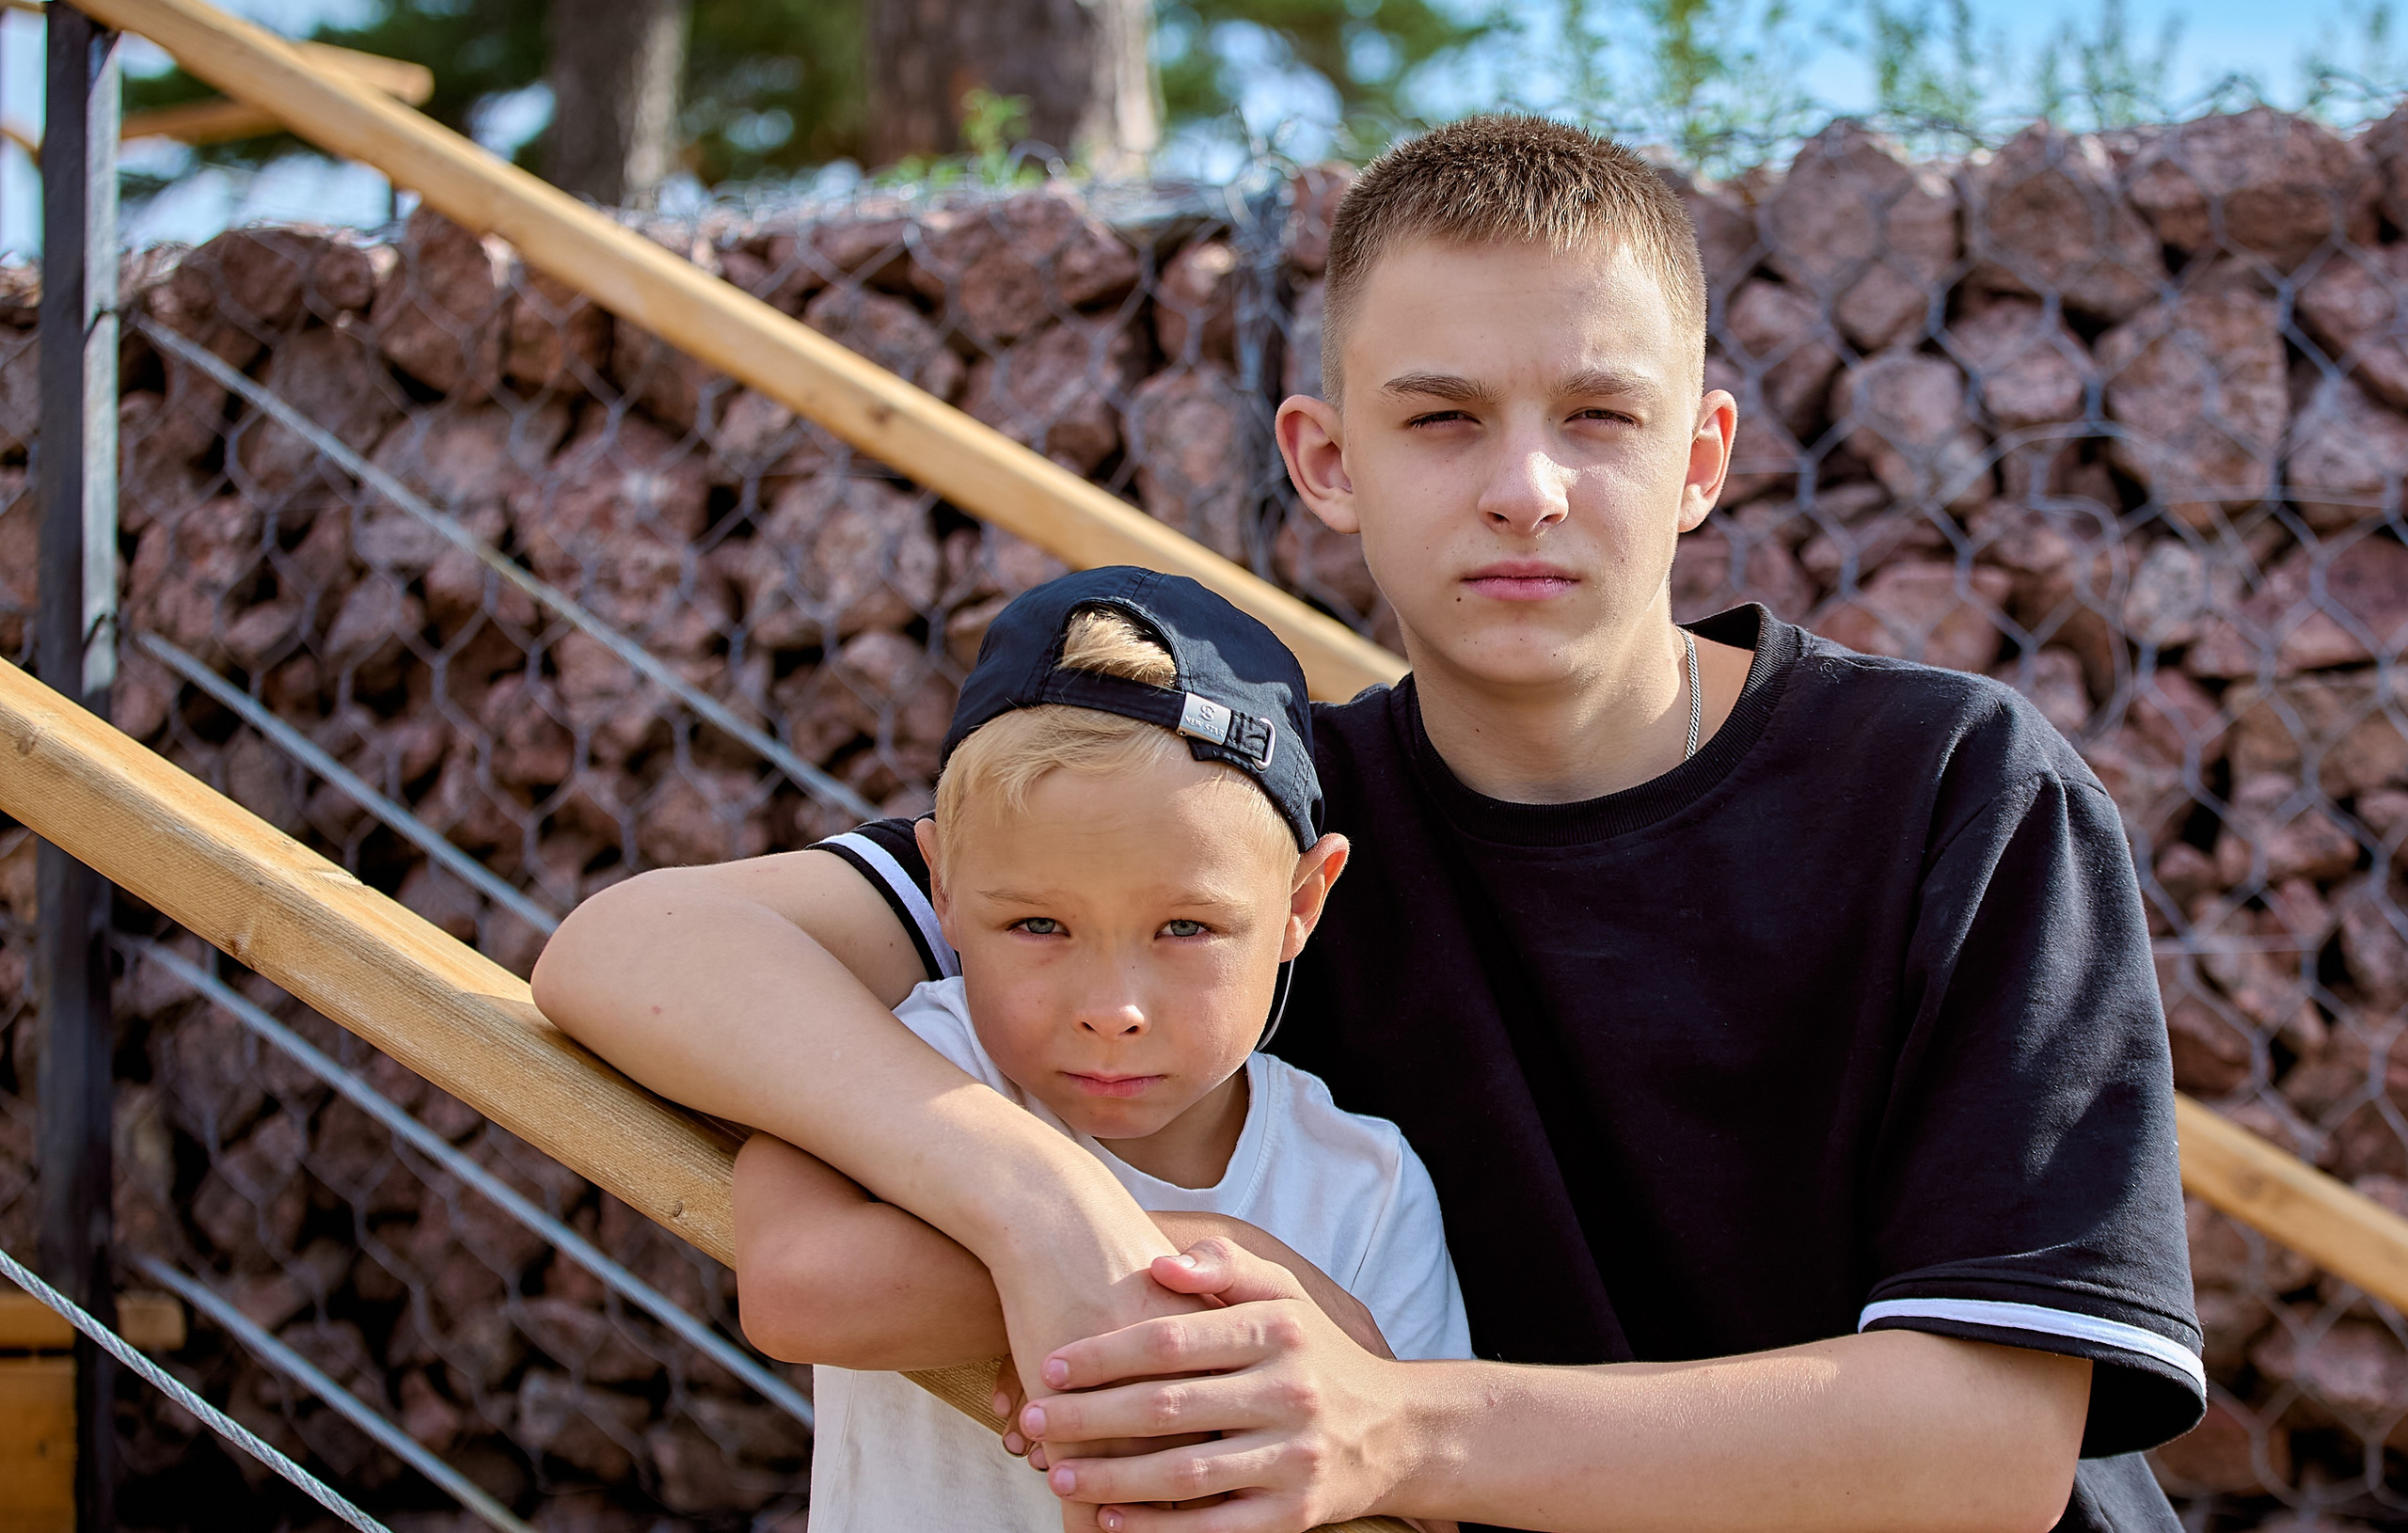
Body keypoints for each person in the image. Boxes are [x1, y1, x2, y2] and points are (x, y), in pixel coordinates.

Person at [532, 114, 2203, 1533]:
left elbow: (1986, 1441)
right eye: (1442, 417)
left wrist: (1397, 1421)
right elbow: (639, 945)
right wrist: (1044, 1206)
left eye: (1600, 416)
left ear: (1701, 458)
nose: (1526, 487)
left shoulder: (1951, 785)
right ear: (1327, 461)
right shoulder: (1250, 831)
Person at [728, 568, 1472, 1531]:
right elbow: (796, 1288)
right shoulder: (904, 1056)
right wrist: (1218, 1261)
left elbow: (1423, 1503)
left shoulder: (1364, 1186)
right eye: (1039, 924)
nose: (1112, 1008)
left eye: (1186, 928)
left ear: (1301, 902)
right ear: (943, 889)